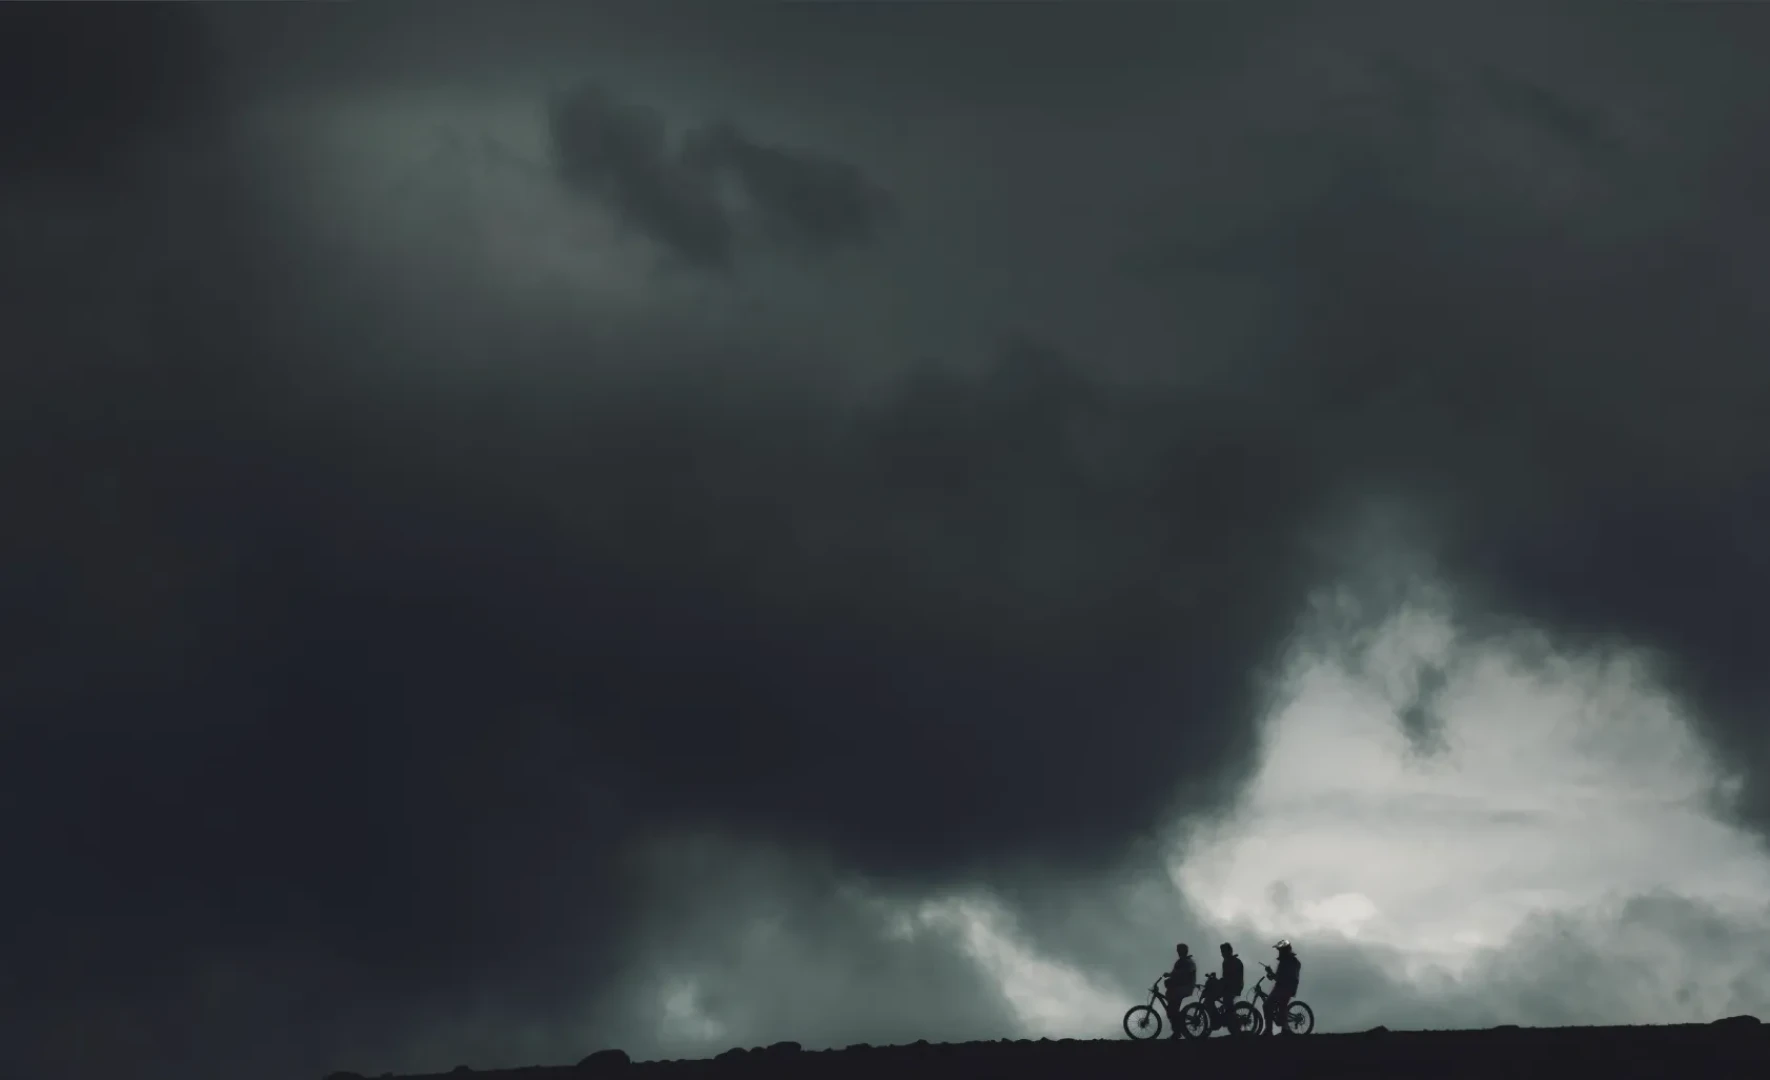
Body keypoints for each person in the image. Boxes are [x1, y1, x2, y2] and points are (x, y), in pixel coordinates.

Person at [1264, 940, 1301, 1035]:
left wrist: (1271, 973)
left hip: (1283, 988)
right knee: (1281, 1007)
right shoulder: (1291, 961)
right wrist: (1271, 974)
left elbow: (1280, 977)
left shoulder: (1287, 961)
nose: (1279, 952)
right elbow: (1279, 977)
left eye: (1280, 950)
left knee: (1268, 1005)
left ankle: (1270, 1030)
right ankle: (1284, 1029)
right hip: (1287, 988)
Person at [1162, 943, 1197, 1038]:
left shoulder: (1188, 962)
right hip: (1180, 988)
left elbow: (1183, 973)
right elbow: (1175, 973)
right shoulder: (1181, 962)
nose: (1178, 952)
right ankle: (1177, 1029)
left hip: (1183, 988)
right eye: (1177, 950)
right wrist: (1170, 976)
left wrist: (1170, 976)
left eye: (1179, 950)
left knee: (1172, 1010)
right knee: (1172, 1010)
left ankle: (1177, 1032)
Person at [1214, 942, 1245, 1033]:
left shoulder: (1233, 961)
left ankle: (1234, 1024)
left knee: (1227, 1003)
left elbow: (1232, 977)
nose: (1222, 953)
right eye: (1221, 951)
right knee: (1223, 1001)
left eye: (1223, 951)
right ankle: (1224, 1018)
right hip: (1229, 985)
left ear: (1229, 951)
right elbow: (1226, 977)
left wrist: (1220, 982)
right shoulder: (1227, 961)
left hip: (1234, 986)